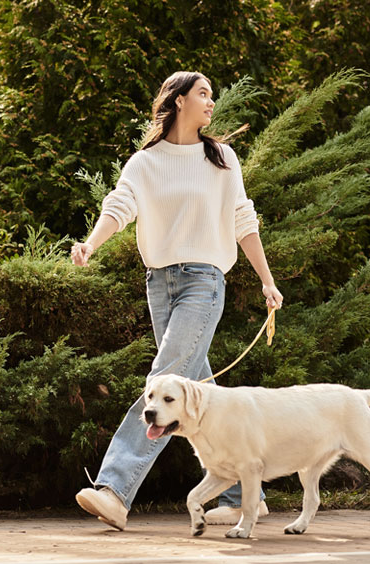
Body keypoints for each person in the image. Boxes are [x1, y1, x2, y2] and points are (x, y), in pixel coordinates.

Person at [71, 71, 283, 530]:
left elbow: (243, 219)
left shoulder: (221, 158)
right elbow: (119, 206)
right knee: (199, 388)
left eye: (212, 96)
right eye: (203, 94)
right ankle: (244, 494)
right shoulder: (145, 162)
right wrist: (91, 244)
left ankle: (114, 490)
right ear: (179, 100)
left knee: (165, 381)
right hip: (159, 284)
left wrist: (267, 280)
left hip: (204, 281)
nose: (211, 102)